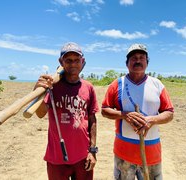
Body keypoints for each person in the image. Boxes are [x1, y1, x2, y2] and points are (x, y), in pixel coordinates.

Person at [101, 43, 174, 180]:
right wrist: (124, 115)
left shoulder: (157, 85)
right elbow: (105, 110)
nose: (138, 61)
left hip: (152, 153)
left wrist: (151, 120)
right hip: (124, 153)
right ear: (127, 63)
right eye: (134, 58)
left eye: (142, 57)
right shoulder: (117, 84)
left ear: (147, 62)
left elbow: (169, 113)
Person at [34, 42, 99, 180]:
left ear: (83, 61)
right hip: (57, 158)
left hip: (83, 157)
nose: (73, 64)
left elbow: (92, 120)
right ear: (61, 62)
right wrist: (38, 92)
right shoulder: (52, 86)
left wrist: (92, 151)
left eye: (77, 60)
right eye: (68, 60)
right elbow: (40, 114)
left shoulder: (88, 87)